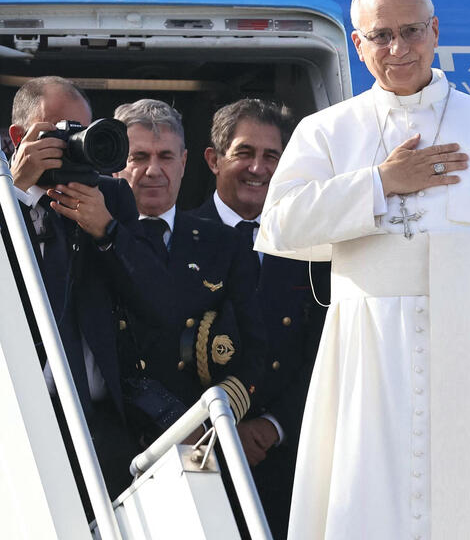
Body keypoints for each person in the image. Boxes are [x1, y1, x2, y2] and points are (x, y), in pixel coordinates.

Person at [255, 0, 470, 539]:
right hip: (370, 349)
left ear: (436, 32)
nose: (398, 48)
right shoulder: (326, 132)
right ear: (357, 46)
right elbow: (280, 224)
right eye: (381, 35)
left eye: (412, 31)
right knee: (369, 496)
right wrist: (381, 183)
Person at [2, 76, 165, 500]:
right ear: (19, 137)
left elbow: (157, 296)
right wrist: (15, 192)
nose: (75, 142)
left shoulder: (110, 196)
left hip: (100, 421)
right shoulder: (5, 197)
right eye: (61, 131)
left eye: (84, 130)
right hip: (14, 422)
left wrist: (108, 231)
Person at [193, 98, 328, 538]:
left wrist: (272, 426)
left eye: (272, 156)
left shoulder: (311, 249)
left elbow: (326, 353)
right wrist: (210, 428)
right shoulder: (178, 236)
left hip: (279, 460)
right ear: (214, 159)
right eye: (245, 153)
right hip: (194, 452)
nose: (259, 168)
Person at [113, 98, 266, 434]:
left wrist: (210, 420)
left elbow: (256, 351)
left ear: (183, 162)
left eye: (165, 156)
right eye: (138, 157)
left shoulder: (225, 244)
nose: (153, 170)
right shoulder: (97, 240)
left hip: (202, 437)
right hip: (117, 435)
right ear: (115, 165)